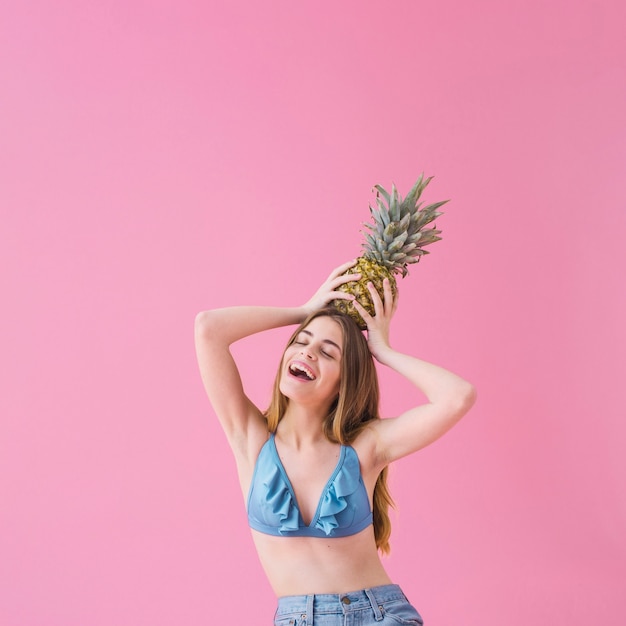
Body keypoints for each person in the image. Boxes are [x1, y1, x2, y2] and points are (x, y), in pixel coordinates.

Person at [194, 260, 476, 625]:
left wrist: (383, 351)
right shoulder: (250, 439)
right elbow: (208, 329)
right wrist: (304, 311)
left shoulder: (366, 447)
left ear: (344, 382)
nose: (307, 352)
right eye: (300, 341)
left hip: (379, 615)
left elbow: (458, 396)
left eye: (328, 352)